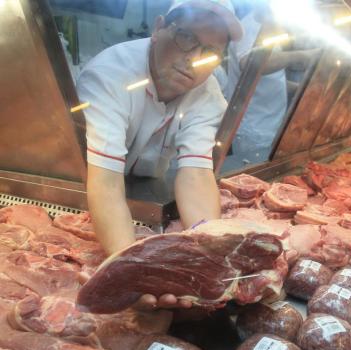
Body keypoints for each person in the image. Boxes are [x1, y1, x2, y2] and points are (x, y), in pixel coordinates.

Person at [76, 0, 242, 310]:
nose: (193, 60)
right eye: (187, 38)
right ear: (158, 28)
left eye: (210, 52)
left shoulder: (209, 93)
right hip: (88, 187)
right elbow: (107, 182)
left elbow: (195, 173)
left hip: (143, 184)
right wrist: (132, 272)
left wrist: (210, 259)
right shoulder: (111, 74)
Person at [226, 0, 317, 164]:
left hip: (269, 124)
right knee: (255, 178)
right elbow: (249, 63)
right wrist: (301, 55)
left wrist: (299, 88)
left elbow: (269, 80)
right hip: (254, 128)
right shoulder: (250, 26)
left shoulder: (270, 30)